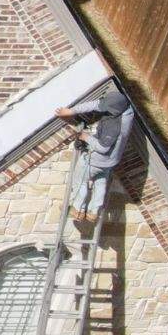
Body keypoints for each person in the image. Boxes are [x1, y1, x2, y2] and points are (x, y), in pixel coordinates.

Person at [58, 80, 136, 229]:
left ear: (113, 110)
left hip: (97, 159)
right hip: (111, 161)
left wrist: (85, 137)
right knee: (100, 182)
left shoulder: (115, 125)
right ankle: (94, 211)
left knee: (80, 180)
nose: (102, 109)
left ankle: (77, 209)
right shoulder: (126, 109)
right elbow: (96, 105)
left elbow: (102, 147)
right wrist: (72, 111)